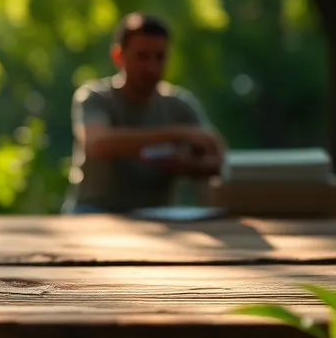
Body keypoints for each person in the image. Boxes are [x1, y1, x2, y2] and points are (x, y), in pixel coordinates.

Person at [64, 12, 225, 214]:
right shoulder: (95, 98)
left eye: (160, 57)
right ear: (118, 56)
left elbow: (215, 159)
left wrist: (185, 165)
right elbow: (97, 144)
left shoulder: (180, 105)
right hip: (94, 212)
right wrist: (177, 135)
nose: (151, 67)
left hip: (159, 217)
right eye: (142, 56)